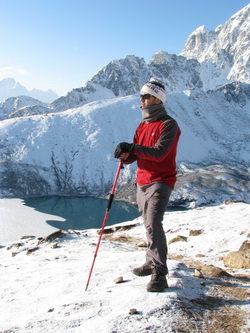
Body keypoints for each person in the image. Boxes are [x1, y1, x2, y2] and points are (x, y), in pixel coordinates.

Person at [114, 78, 181, 292]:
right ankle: (150, 262)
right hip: (142, 181)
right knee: (148, 224)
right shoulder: (142, 125)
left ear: (156, 99)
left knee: (153, 222)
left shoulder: (168, 125)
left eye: (145, 96)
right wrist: (125, 156)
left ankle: (160, 273)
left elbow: (160, 153)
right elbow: (137, 154)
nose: (141, 100)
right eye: (141, 96)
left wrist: (132, 147)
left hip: (161, 180)